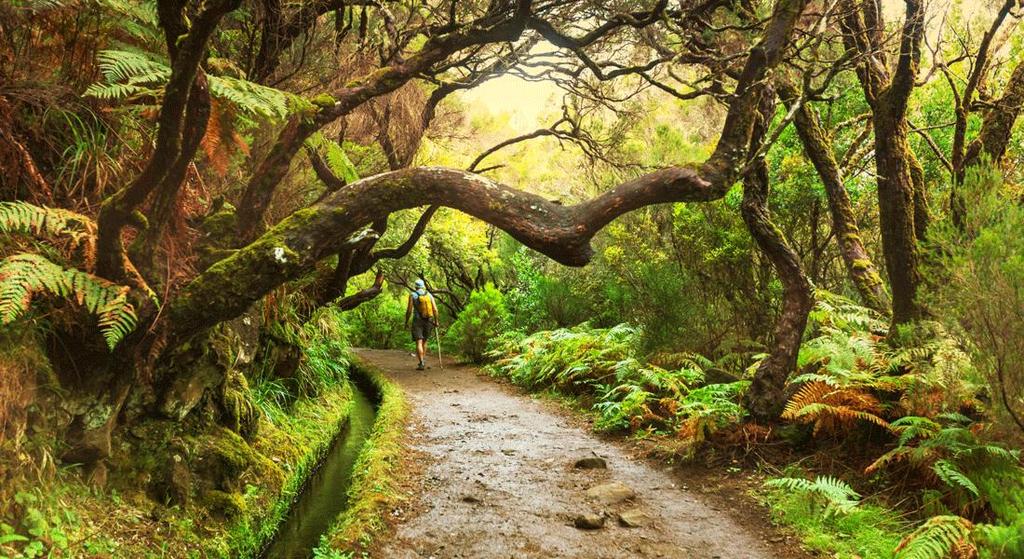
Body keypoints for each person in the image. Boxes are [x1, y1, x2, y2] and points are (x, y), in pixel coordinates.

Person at [405, 278, 439, 370]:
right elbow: (435, 309)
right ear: (423, 286)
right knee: (425, 341)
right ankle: (423, 360)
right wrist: (436, 321)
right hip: (429, 320)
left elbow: (409, 310)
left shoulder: (412, 295)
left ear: (415, 286)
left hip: (417, 320)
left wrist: (406, 321)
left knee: (419, 341)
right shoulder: (429, 295)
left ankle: (421, 363)